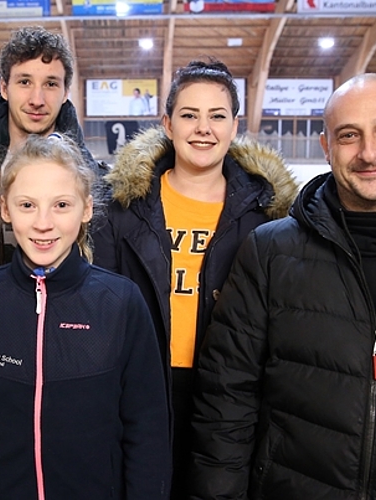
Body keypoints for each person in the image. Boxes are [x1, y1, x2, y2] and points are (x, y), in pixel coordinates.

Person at [190, 73, 376, 499]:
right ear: (326, 147)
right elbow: (226, 402)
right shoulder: (270, 252)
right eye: (349, 135)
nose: (368, 152)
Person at [93, 59, 298, 499]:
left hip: (227, 396)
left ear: (234, 124)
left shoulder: (265, 217)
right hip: (142, 386)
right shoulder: (123, 209)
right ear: (167, 123)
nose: (203, 128)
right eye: (189, 115)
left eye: (217, 116)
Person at [0, 134, 171, 499]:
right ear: (5, 209)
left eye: (61, 205)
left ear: (86, 208)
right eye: (27, 205)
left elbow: (147, 431)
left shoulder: (120, 303)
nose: (43, 223)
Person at [0, 25, 105, 274]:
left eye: (51, 84)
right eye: (24, 81)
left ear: (66, 92)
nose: (37, 99)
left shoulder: (94, 180)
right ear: (4, 88)